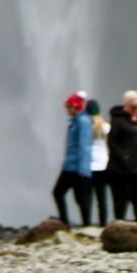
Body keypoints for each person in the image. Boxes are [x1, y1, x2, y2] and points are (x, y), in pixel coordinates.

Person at [107, 90, 137, 222]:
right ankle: (120, 227)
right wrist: (124, 157)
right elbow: (112, 143)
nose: (136, 110)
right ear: (126, 105)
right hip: (120, 170)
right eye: (133, 107)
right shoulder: (117, 121)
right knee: (121, 199)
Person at [52, 92, 93, 226]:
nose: (66, 109)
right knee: (79, 198)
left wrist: (83, 168)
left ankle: (71, 223)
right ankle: (79, 223)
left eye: (68, 106)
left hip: (76, 167)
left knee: (61, 193)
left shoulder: (83, 121)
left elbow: (84, 145)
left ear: (76, 106)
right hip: (71, 165)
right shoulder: (75, 121)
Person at [86, 99, 111, 226]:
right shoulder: (105, 126)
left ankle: (88, 222)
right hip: (103, 164)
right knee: (102, 197)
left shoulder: (85, 125)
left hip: (89, 165)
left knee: (88, 196)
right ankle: (103, 223)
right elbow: (109, 144)